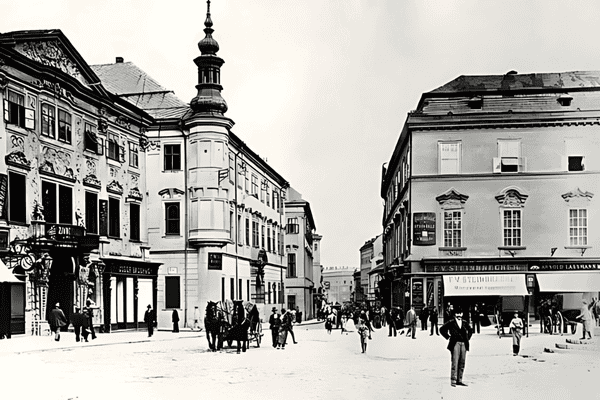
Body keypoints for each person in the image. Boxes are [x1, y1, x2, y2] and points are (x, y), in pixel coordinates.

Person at [440, 307, 473, 387]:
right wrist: (448, 337)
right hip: (455, 343)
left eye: (460, 313)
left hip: (464, 344)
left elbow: (471, 330)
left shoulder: (465, 322)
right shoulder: (451, 322)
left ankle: (460, 380)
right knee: (455, 362)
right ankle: (453, 380)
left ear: (462, 314)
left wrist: (467, 338)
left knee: (462, 362)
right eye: (457, 313)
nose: (459, 315)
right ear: (455, 314)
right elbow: (441, 329)